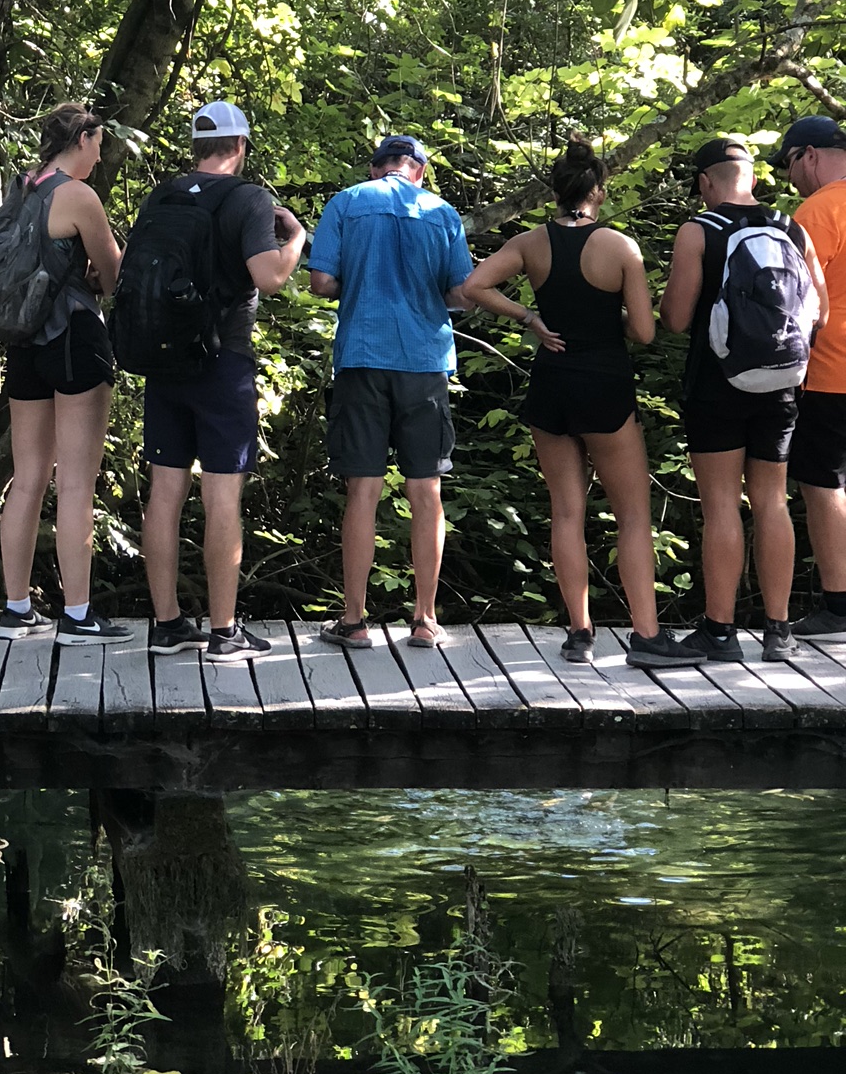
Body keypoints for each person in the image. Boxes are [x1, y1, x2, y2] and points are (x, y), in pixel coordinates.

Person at [461, 141, 686, 664]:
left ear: (556, 192)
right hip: (604, 385)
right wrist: (611, 318)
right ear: (598, 191)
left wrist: (529, 318)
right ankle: (647, 635)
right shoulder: (620, 247)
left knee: (566, 512)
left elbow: (475, 285)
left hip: (552, 382)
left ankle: (579, 632)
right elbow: (645, 332)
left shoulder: (531, 242)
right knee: (633, 517)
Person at [141, 101, 306, 661]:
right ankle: (224, 631)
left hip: (163, 360)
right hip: (222, 363)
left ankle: (167, 625)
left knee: (164, 492)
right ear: (240, 146)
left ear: (196, 147)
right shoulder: (248, 199)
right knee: (221, 496)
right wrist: (296, 237)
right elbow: (270, 276)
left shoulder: (162, 196)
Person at [661, 136, 823, 661]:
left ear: (705, 182)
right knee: (773, 501)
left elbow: (676, 319)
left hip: (717, 385)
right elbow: (818, 310)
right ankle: (779, 630)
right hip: (782, 384)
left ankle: (720, 631)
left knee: (721, 506)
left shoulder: (699, 230)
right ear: (752, 177)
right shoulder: (791, 227)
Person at [308, 134, 472, 651]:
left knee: (363, 489)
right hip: (424, 363)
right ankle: (424, 619)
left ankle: (354, 621)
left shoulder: (347, 202)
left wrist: (359, 283)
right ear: (418, 171)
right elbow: (461, 292)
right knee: (427, 490)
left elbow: (321, 283)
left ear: (375, 167)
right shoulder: (442, 212)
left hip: (363, 355)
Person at [0, 104, 128, 642]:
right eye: (98, 143)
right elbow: (114, 275)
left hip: (23, 340)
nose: (100, 154)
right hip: (73, 337)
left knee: (27, 477)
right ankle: (77, 615)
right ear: (82, 138)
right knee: (75, 482)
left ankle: (16, 609)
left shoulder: (20, 188)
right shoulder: (78, 195)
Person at [776, 114, 846, 641]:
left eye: (789, 164)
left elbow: (797, 299)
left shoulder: (819, 211)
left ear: (811, 156)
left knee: (825, 484)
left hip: (831, 371)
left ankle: (839, 607)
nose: (789, 177)